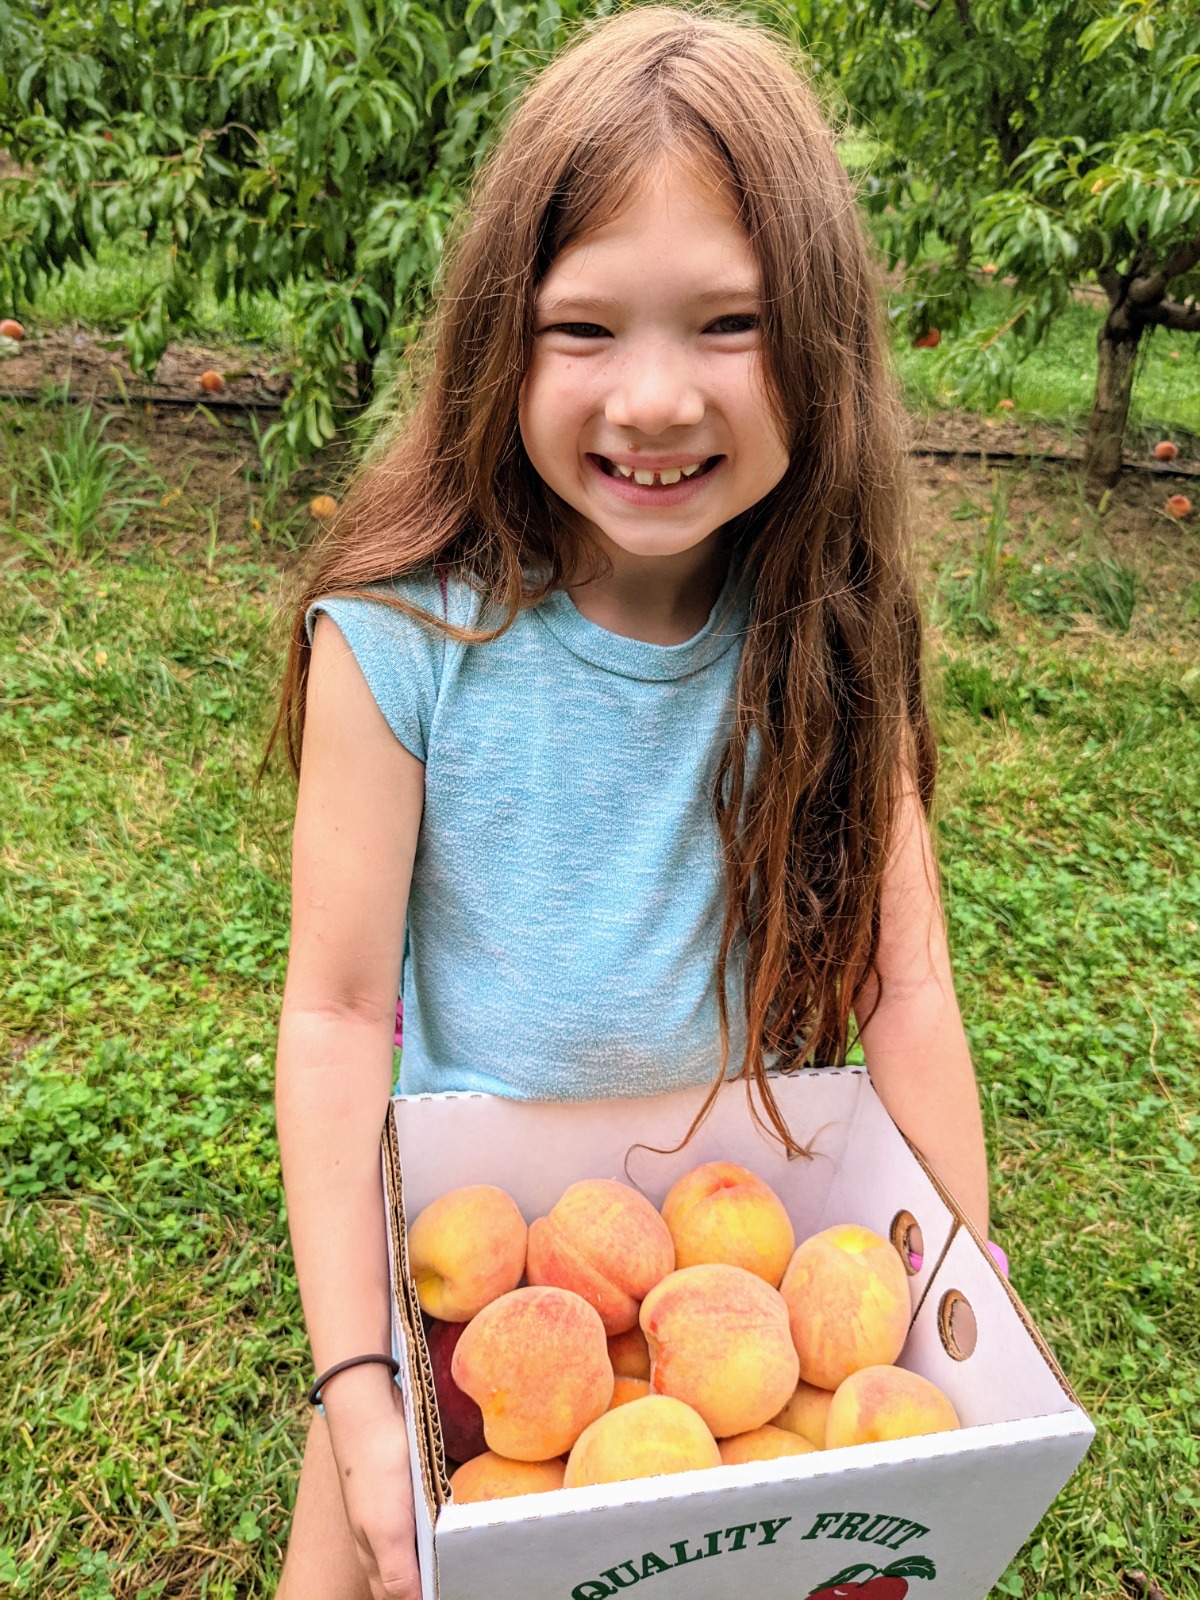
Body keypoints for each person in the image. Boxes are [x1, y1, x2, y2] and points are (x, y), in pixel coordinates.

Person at [264, 8, 996, 1598]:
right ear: (495, 343)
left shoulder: (836, 634)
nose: (655, 398)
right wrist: (361, 1381)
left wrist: (961, 1285)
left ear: (821, 341)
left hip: (734, 1288)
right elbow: (332, 1019)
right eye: (584, 329)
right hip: (482, 1272)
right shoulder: (402, 640)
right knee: (372, 1544)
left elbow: (907, 986)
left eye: (728, 324)